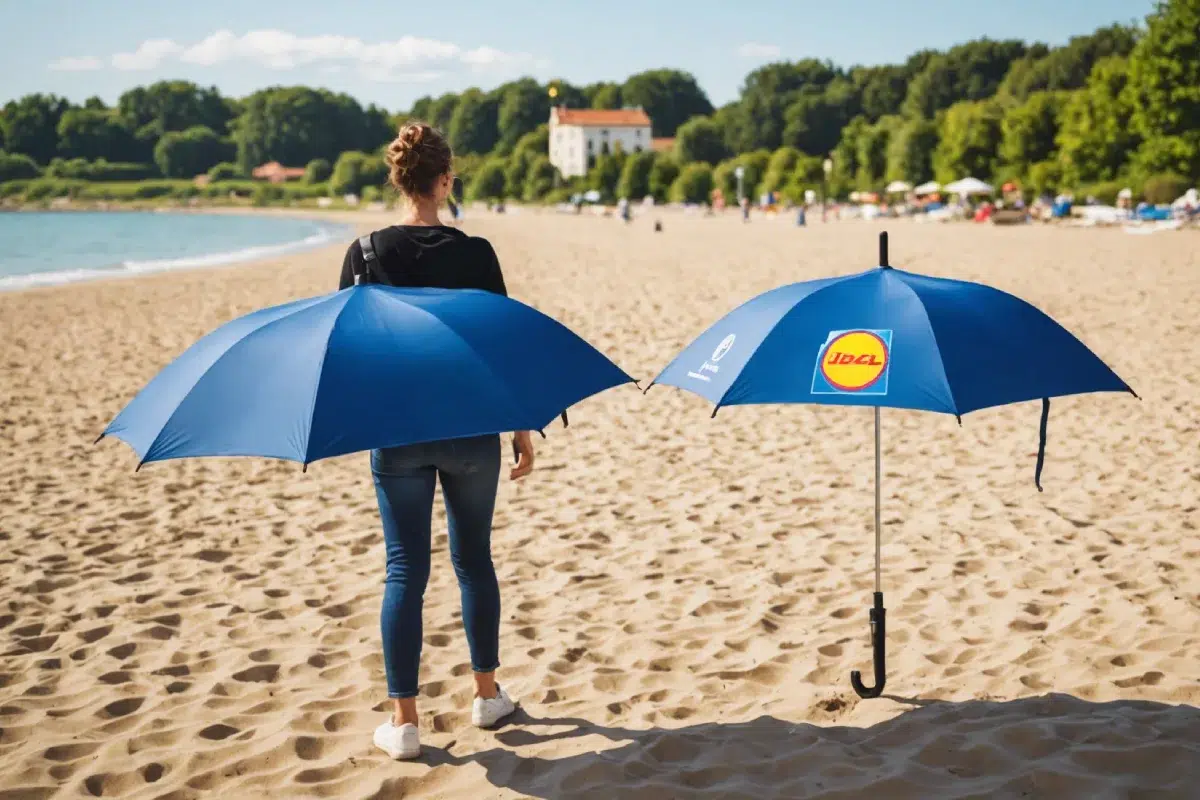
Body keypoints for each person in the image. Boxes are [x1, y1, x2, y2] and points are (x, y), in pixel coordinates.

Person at [338, 122, 534, 760]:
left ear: (399, 178)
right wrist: (521, 426)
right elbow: (503, 346)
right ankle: (487, 696)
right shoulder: (477, 253)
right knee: (474, 560)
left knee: (405, 571)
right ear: (445, 180)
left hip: (398, 431)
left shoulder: (365, 252)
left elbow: (350, 351)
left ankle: (404, 723)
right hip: (472, 426)